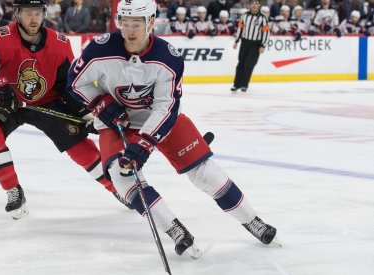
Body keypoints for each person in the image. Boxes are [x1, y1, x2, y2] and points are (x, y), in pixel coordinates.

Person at [68, 0, 278, 258]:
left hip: (158, 119)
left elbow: (165, 108)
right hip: (117, 122)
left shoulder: (168, 57)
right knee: (121, 177)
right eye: (125, 23)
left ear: (151, 22)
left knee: (205, 172)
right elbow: (75, 82)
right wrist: (102, 103)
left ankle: (252, 220)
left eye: (137, 24)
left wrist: (144, 144)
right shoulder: (100, 48)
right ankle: (174, 229)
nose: (130, 30)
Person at [0, 0, 130, 220]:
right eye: (28, 13)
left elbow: (69, 86)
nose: (33, 19)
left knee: (80, 146)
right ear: (17, 14)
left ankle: (117, 187)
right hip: (8, 101)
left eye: (37, 13)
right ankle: (13, 191)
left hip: (48, 102)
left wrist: (84, 115)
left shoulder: (59, 43)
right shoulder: (0, 39)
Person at [231, 0, 270, 92]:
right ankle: (236, 84)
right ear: (250, 5)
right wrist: (236, 41)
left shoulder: (263, 18)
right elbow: (240, 29)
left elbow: (266, 33)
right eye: (252, 3)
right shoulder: (244, 15)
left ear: (259, 5)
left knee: (249, 64)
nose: (254, 5)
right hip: (244, 42)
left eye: (256, 4)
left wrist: (263, 45)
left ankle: (244, 85)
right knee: (240, 63)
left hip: (255, 44)